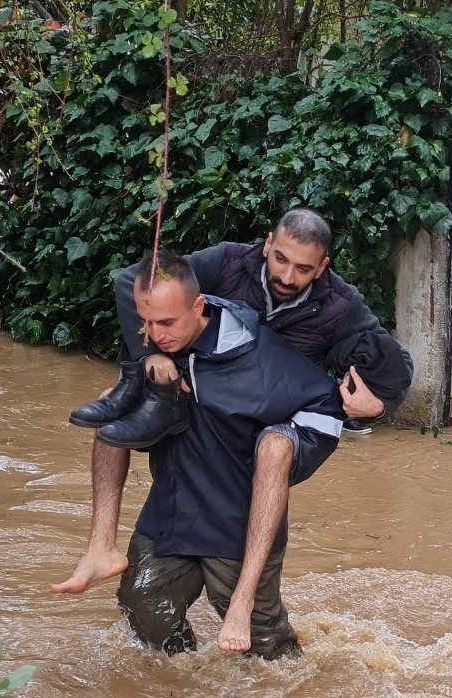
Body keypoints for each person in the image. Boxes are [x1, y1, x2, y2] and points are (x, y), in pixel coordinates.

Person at [53, 208, 411, 631]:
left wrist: (378, 407)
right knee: (144, 602)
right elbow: (141, 283)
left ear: (322, 268)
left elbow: (395, 365)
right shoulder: (227, 262)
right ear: (266, 246)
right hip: (206, 413)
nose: (288, 276)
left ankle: (248, 613)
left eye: (303, 269)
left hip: (277, 422)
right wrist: (151, 354)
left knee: (272, 451)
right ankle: (102, 548)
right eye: (280, 259)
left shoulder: (340, 305)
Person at [56, 252, 345, 659]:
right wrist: (147, 357)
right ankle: (181, 691)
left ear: (198, 306)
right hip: (171, 515)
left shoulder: (260, 356)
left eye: (168, 323)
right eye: (146, 322)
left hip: (236, 526)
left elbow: (326, 405)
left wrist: (298, 441)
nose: (155, 334)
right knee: (144, 611)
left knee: (268, 656)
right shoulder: (154, 353)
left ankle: (268, 674)